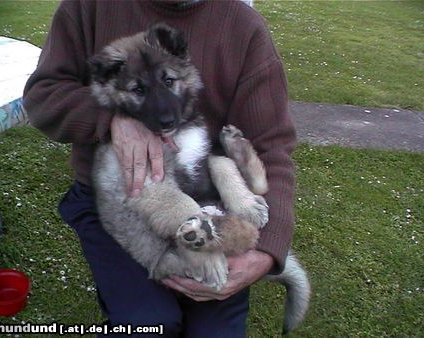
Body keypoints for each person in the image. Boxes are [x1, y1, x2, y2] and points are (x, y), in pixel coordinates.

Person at [23, 0, 296, 337]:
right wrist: (111, 118)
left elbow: (271, 143)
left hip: (208, 202)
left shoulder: (242, 26)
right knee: (148, 323)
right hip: (114, 202)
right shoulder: (88, 7)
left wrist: (266, 252)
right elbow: (43, 96)